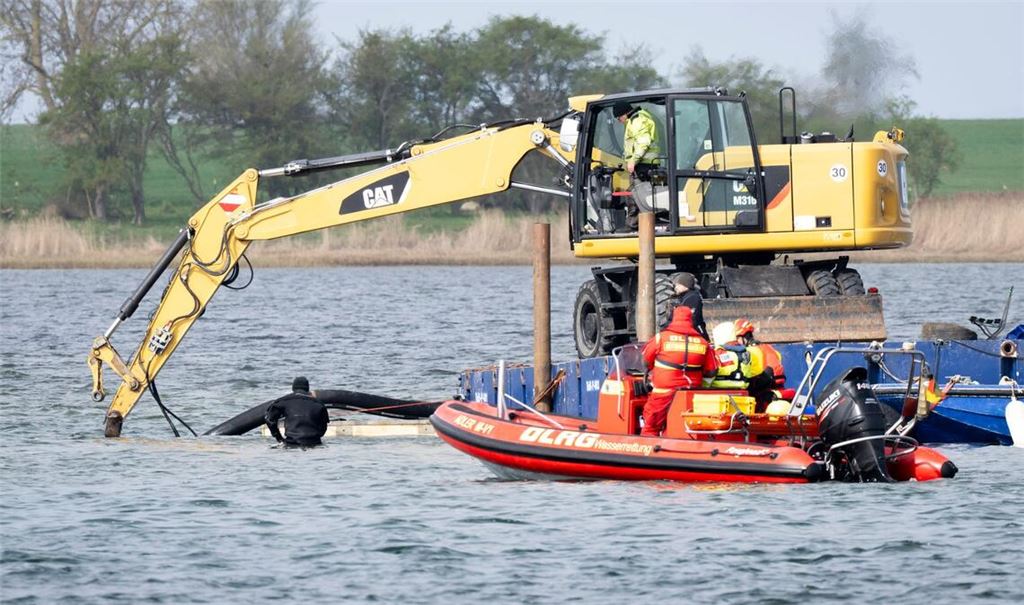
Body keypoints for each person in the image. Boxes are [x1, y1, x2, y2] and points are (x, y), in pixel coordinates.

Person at [641, 305, 718, 436]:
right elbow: (712, 371)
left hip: (663, 394)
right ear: (691, 320)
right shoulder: (703, 343)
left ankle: (648, 446)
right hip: (692, 394)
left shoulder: (661, 338)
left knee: (651, 426)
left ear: (673, 318)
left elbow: (645, 361)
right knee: (683, 428)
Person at [710, 320, 788, 412]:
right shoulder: (768, 348)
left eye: (737, 338)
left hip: (764, 394)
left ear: (743, 337)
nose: (735, 342)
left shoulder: (749, 352)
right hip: (775, 390)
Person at [613, 101, 662, 229]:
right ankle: (636, 224)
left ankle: (633, 226)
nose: (619, 121)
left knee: (635, 195)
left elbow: (643, 142)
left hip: (643, 165)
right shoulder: (637, 119)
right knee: (637, 194)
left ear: (624, 113)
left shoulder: (637, 121)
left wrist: (633, 160)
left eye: (618, 117)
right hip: (645, 164)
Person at [264, 376, 329, 447]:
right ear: (307, 388)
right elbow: (324, 425)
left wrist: (279, 438)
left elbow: (269, 419)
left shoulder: (283, 401)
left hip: (292, 443)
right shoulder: (319, 404)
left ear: (293, 388)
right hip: (315, 443)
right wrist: (316, 436)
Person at [663, 272, 708, 339]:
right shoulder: (684, 298)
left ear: (686, 285)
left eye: (678, 285)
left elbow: (691, 319)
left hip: (694, 335)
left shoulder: (692, 298)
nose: (676, 287)